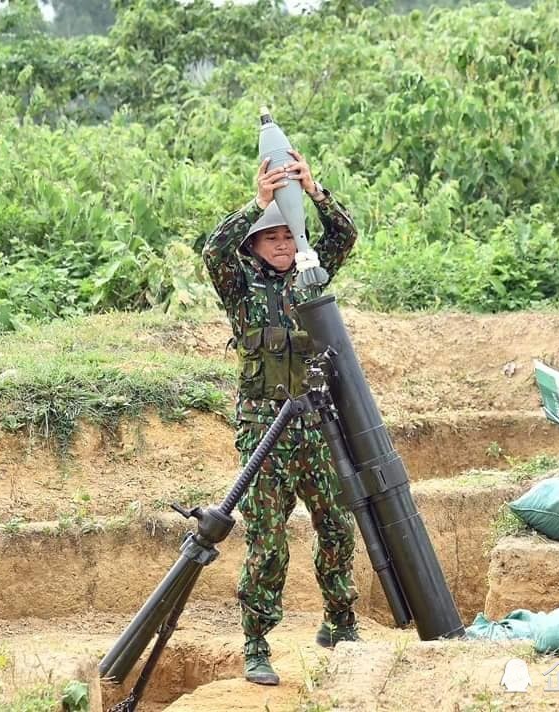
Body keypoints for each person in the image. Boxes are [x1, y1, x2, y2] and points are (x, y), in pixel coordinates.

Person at [202, 150, 360, 686]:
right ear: (255, 246)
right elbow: (213, 251)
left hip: (318, 428)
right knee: (267, 539)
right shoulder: (241, 289)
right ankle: (256, 643)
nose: (285, 246)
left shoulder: (310, 277)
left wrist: (313, 192)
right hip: (265, 431)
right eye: (273, 239)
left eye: (289, 237)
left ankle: (340, 624)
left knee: (337, 525)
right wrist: (259, 203)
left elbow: (345, 236)